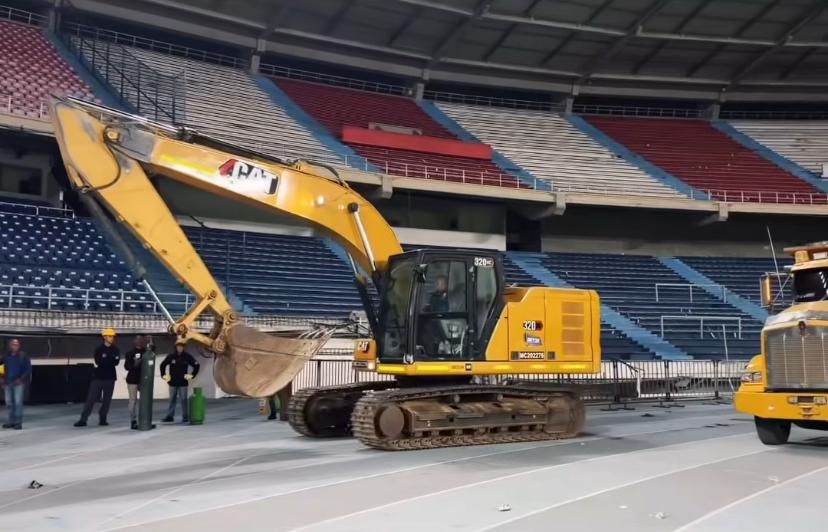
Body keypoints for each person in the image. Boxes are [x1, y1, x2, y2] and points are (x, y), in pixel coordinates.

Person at [74, 328, 120, 427]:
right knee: (91, 399)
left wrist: (107, 359)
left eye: (112, 336)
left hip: (110, 378)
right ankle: (83, 419)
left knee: (107, 400)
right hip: (98, 377)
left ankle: (103, 418)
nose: (112, 338)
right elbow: (99, 362)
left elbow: (116, 362)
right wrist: (109, 359)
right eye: (110, 336)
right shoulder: (99, 349)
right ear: (104, 337)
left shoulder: (115, 349)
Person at [160, 338, 199, 423]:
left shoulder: (187, 357)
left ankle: (185, 417)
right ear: (176, 347)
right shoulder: (171, 356)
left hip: (183, 382)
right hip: (172, 382)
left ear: (183, 347)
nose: (180, 348)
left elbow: (196, 365)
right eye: (178, 346)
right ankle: (170, 416)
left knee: (184, 399)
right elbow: (162, 365)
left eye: (181, 346)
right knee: (172, 400)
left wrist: (192, 375)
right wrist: (163, 375)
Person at [1, 339, 31, 430]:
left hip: (18, 382)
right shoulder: (6, 356)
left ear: (19, 346)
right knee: (9, 402)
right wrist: (1, 378)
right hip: (8, 382)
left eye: (16, 344)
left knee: (18, 403)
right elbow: (1, 367)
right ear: (10, 346)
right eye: (13, 344)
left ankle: (18, 423)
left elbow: (28, 369)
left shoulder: (23, 356)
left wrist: (21, 379)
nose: (15, 346)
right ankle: (11, 421)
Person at [124, 335, 147, 430]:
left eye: (141, 340)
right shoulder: (130, 353)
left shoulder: (146, 352)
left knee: (145, 400)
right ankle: (133, 421)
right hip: (132, 379)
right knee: (133, 401)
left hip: (143, 380)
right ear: (134, 342)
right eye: (138, 340)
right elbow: (126, 367)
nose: (140, 342)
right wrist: (135, 364)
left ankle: (145, 420)